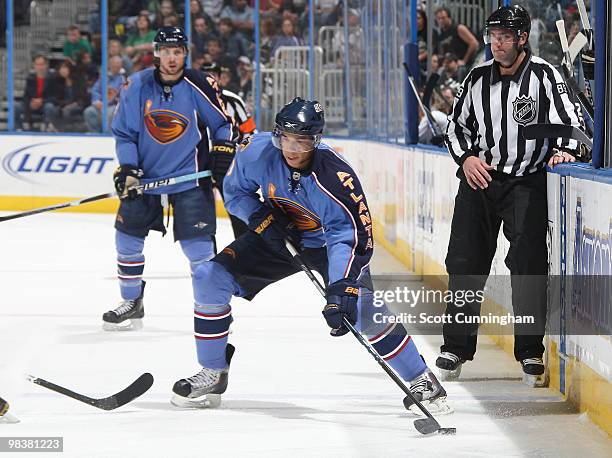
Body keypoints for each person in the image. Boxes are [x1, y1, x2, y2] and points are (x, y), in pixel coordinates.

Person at [170, 98, 451, 415]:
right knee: (209, 278)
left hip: (327, 245)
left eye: (302, 141)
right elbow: (234, 192)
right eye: (286, 138)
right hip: (276, 237)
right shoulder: (257, 152)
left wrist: (342, 284)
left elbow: (349, 233)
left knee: (361, 305)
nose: (291, 148)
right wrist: (260, 217)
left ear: (315, 141)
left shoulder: (334, 177)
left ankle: (423, 381)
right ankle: (213, 371)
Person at [439, 5, 582, 386]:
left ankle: (530, 351)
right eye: (493, 36)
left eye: (505, 36)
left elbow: (571, 122)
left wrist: (566, 148)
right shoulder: (476, 77)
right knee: (465, 262)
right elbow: (456, 128)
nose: (496, 43)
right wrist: (467, 159)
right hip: (480, 181)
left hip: (525, 182)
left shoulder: (545, 76)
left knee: (529, 265)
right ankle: (455, 347)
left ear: (522, 38)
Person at [102, 27, 234, 331]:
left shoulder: (200, 84)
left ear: (185, 53)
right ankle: (131, 301)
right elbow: (125, 134)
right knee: (127, 240)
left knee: (199, 250)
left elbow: (223, 126)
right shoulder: (136, 85)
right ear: (156, 52)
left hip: (190, 178)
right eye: (166, 51)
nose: (172, 58)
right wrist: (129, 168)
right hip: (145, 179)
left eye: (177, 52)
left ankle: (210, 306)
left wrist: (223, 150)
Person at [202, 61, 257, 238]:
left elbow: (250, 132)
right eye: (205, 75)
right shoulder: (191, 101)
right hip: (201, 164)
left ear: (220, 77)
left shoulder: (233, 101)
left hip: (229, 164)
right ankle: (207, 256)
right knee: (201, 213)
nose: (210, 78)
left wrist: (242, 158)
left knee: (237, 210)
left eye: (213, 74)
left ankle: (243, 251)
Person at [16, 54, 60, 131]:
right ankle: (18, 128)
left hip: (45, 104)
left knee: (49, 107)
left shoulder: (53, 78)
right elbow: (26, 96)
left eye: (42, 64)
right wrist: (31, 103)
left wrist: (41, 101)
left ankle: (46, 127)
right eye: (37, 64)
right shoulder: (30, 78)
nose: (40, 67)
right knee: (16, 106)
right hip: (32, 104)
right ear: (34, 66)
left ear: (46, 65)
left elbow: (55, 97)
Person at [83, 56, 126, 132]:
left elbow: (124, 96)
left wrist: (114, 101)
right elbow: (95, 91)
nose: (116, 66)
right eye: (114, 64)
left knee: (109, 113)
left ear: (121, 65)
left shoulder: (124, 79)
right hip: (100, 105)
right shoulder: (103, 78)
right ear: (109, 65)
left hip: (113, 106)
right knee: (89, 111)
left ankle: (108, 134)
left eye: (118, 64)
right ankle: (96, 133)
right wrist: (97, 102)